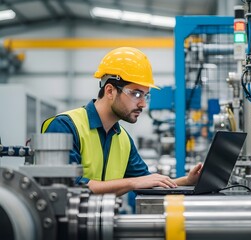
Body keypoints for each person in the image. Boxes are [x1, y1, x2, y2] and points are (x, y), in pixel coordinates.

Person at [41, 47, 203, 196]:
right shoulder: (65, 126)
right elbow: (65, 189)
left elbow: (147, 182)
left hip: (101, 222)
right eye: (136, 94)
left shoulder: (122, 139)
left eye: (146, 95)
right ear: (110, 91)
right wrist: (132, 182)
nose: (143, 104)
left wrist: (187, 181)